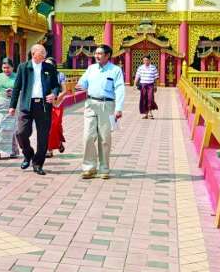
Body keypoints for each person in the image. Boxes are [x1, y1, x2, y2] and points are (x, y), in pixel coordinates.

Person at [8, 44, 61, 175]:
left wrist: (54, 94)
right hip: (27, 105)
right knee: (21, 133)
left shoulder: (49, 67)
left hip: (43, 106)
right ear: (33, 54)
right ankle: (28, 154)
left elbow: (56, 85)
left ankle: (38, 164)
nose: (44, 55)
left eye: (45, 52)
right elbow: (17, 88)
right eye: (41, 52)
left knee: (43, 136)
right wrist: (12, 106)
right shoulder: (23, 67)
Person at [77, 44, 124, 180]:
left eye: (99, 53)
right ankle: (89, 168)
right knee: (88, 136)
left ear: (107, 55)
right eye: (95, 53)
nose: (96, 56)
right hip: (90, 104)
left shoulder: (115, 70)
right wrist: (79, 85)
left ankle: (104, 168)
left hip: (107, 105)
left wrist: (119, 108)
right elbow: (83, 82)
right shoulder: (91, 68)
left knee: (104, 138)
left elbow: (120, 89)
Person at [0, 58, 19, 159]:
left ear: (12, 67)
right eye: (4, 68)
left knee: (11, 128)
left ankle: (13, 151)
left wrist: (14, 92)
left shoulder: (17, 77)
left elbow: (22, 90)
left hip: (12, 105)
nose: (6, 70)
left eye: (8, 68)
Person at [44, 57, 67, 158]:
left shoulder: (60, 75)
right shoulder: (42, 75)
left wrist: (56, 99)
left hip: (57, 103)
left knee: (56, 125)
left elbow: (64, 91)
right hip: (45, 103)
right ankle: (49, 149)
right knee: (48, 126)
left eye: (50, 64)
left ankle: (58, 142)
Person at [135, 54, 159, 119]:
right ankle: (146, 114)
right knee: (144, 99)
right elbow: (137, 76)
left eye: (147, 60)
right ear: (143, 61)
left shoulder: (153, 68)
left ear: (149, 60)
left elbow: (156, 78)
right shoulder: (140, 68)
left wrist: (155, 86)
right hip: (143, 85)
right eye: (144, 60)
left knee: (150, 99)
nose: (146, 61)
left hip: (150, 85)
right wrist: (135, 84)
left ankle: (150, 112)